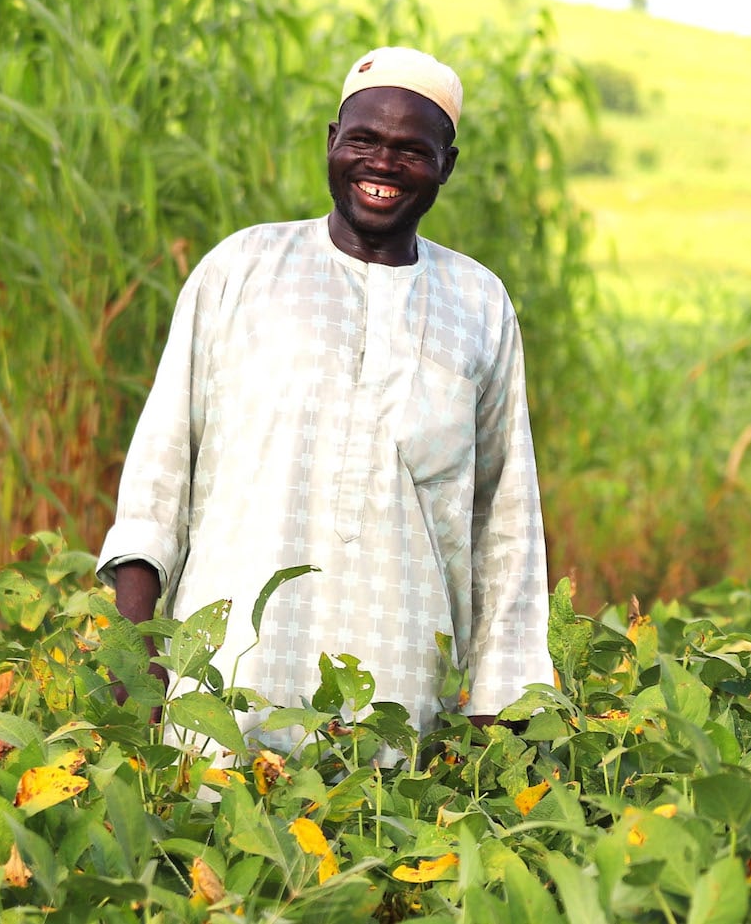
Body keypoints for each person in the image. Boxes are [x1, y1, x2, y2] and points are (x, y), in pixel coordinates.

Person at [95, 46, 553, 756]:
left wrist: (499, 710)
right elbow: (158, 478)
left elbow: (506, 521)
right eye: (364, 139)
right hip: (216, 707)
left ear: (447, 165)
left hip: (397, 724)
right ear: (332, 143)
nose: (383, 164)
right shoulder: (241, 269)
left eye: (412, 149)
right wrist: (135, 661)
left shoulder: (478, 304)